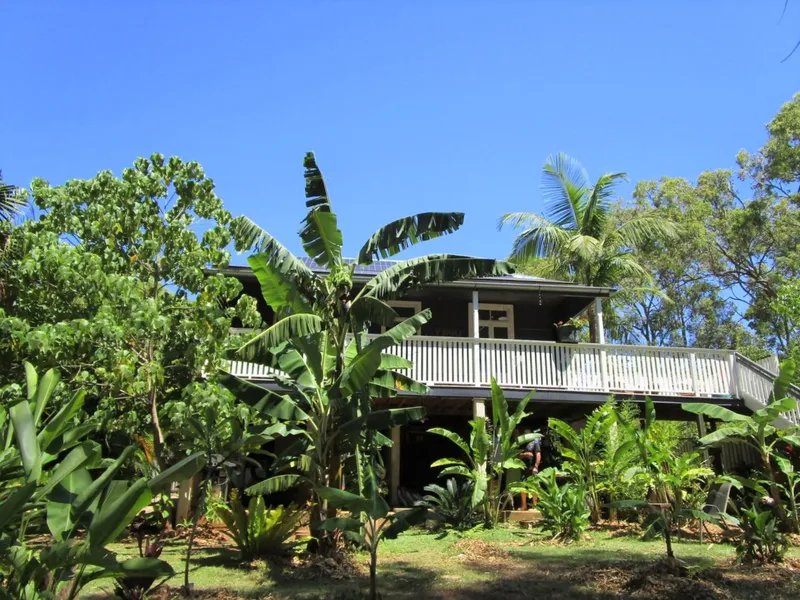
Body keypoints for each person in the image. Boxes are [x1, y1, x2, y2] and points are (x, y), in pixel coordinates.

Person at [518, 428, 542, 510]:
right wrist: (524, 454)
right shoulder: (522, 443)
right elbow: (518, 455)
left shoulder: (535, 442)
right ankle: (524, 505)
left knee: (534, 486)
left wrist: (536, 466)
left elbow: (538, 455)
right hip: (523, 467)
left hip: (532, 468)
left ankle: (534, 505)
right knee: (523, 486)